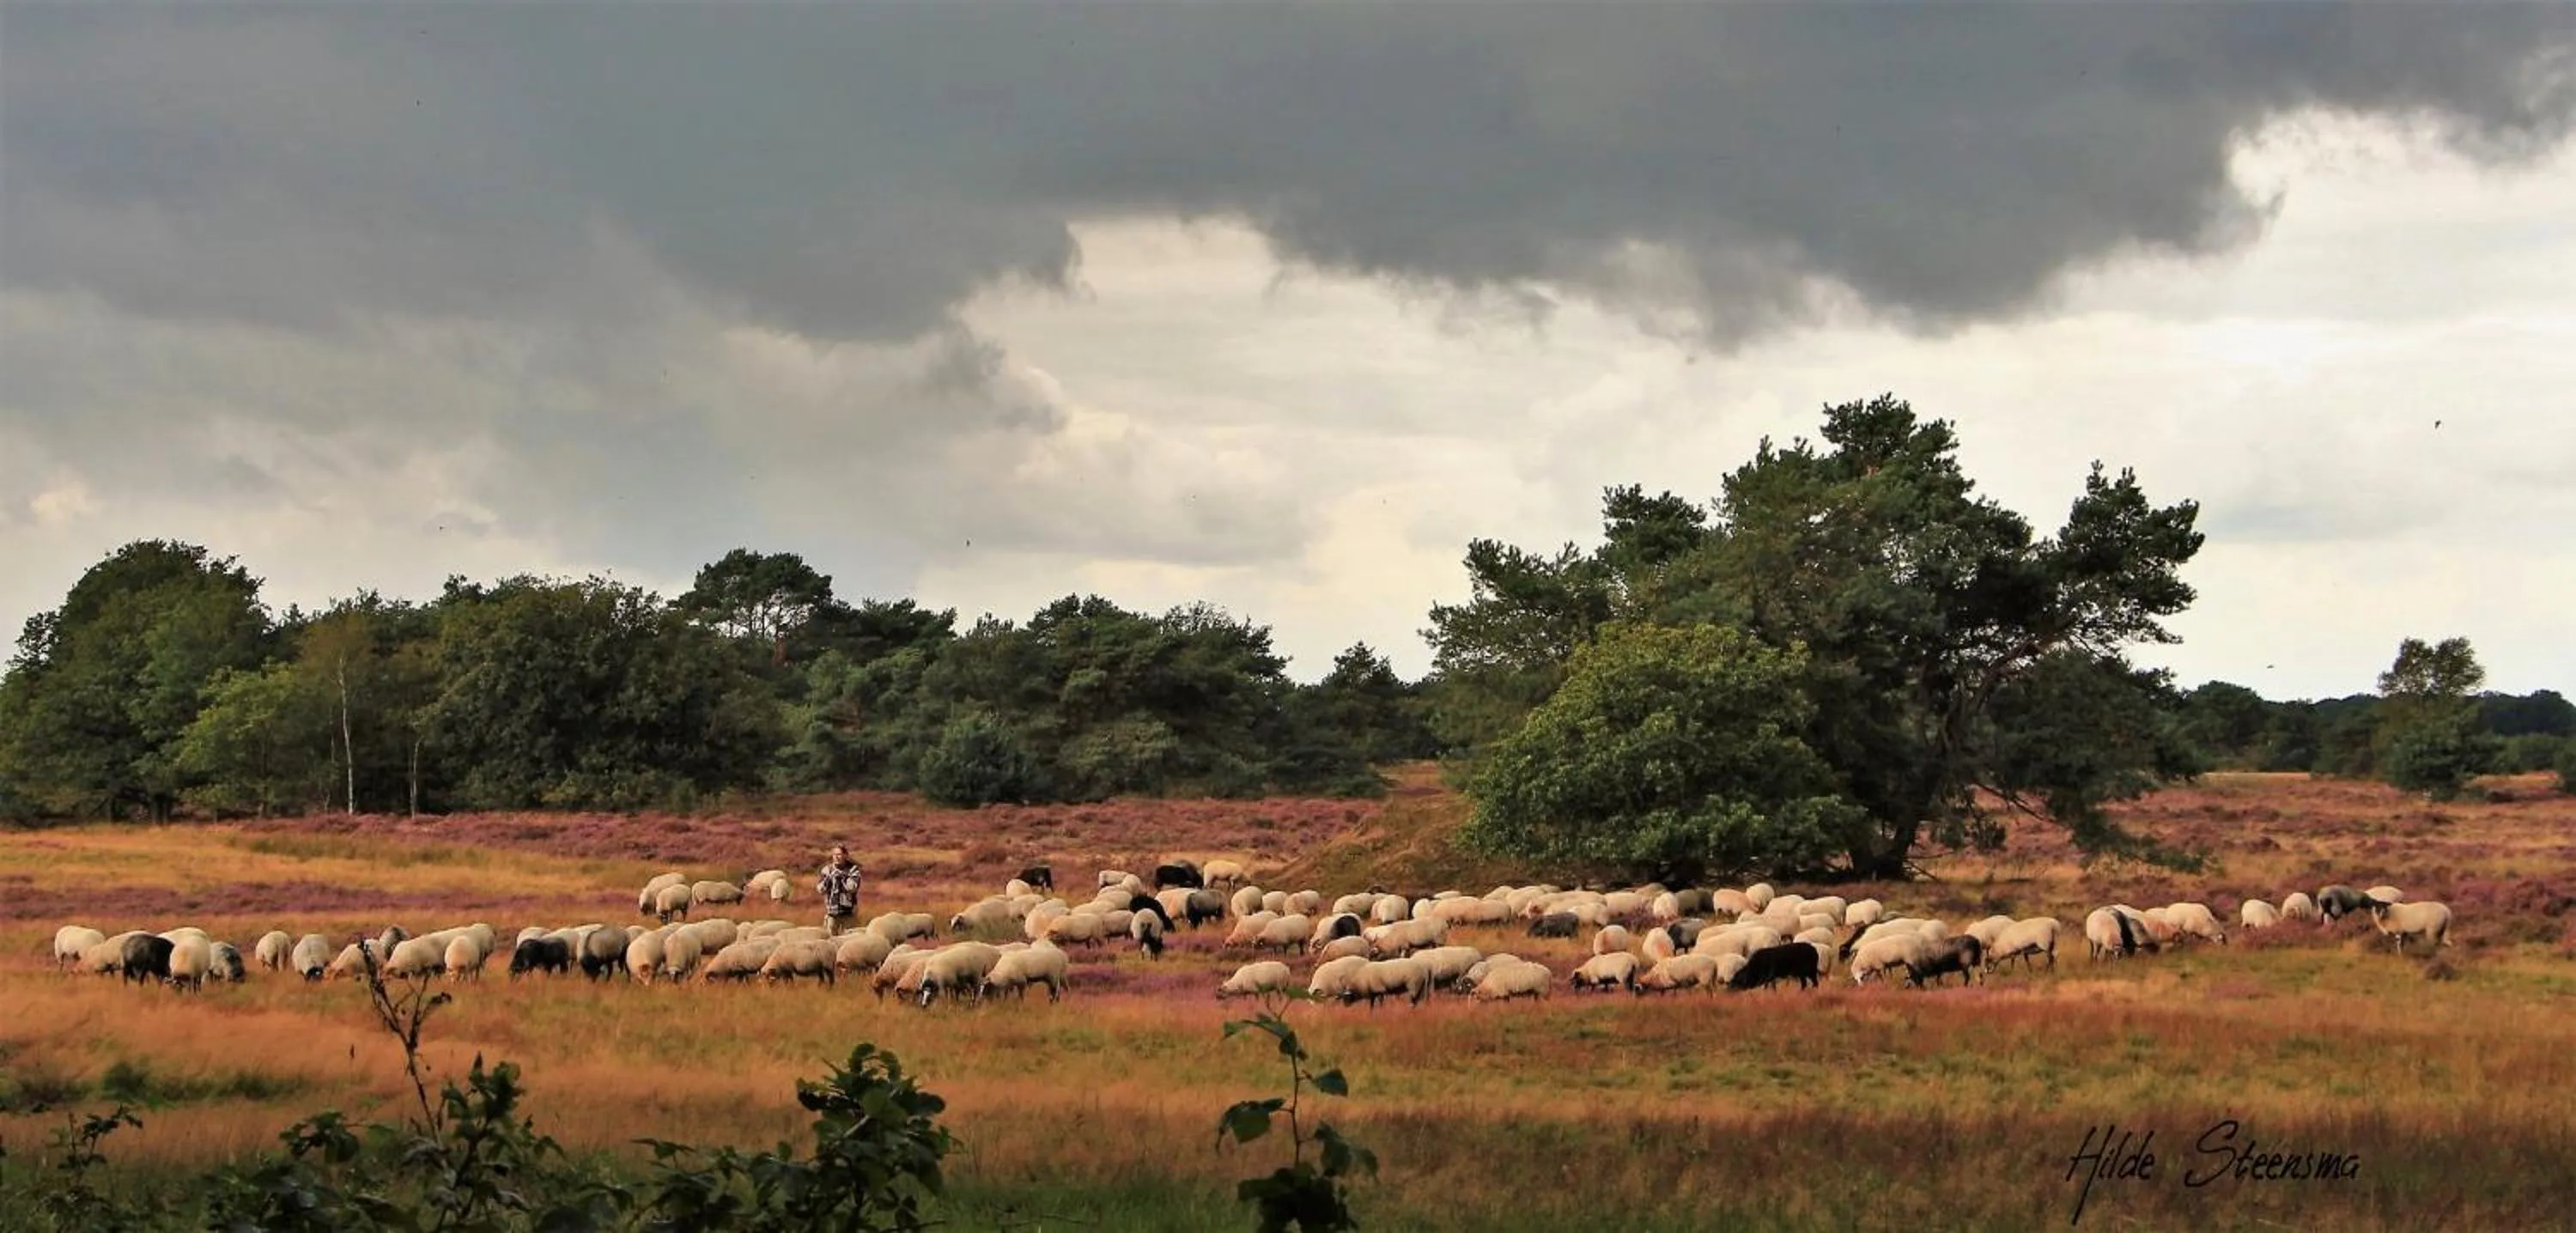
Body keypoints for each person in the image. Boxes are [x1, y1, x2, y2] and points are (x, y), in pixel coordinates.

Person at [817, 845, 864, 937]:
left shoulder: (853, 870)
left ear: (845, 855)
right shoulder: (827, 870)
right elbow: (820, 889)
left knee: (850, 939)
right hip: (831, 913)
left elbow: (852, 888)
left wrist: (842, 877)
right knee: (830, 939)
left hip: (848, 912)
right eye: (834, 855)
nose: (836, 857)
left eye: (839, 854)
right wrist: (829, 878)